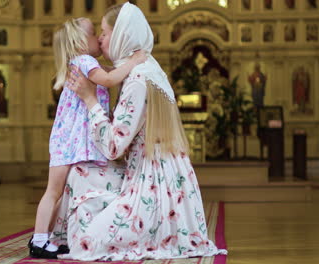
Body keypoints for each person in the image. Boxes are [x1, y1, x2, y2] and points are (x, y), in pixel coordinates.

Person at [49, 3, 228, 261]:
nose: (100, 38)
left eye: (104, 32)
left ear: (122, 34)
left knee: (87, 243)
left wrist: (90, 100)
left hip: (152, 186)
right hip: (159, 177)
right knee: (80, 171)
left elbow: (113, 147)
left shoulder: (137, 81)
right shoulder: (148, 69)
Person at [29, 17, 147, 259]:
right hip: (67, 140)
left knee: (57, 192)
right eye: (94, 34)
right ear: (81, 43)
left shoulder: (86, 62)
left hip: (70, 139)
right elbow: (110, 80)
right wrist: (135, 61)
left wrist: (125, 66)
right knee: (53, 191)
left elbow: (112, 73)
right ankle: (39, 240)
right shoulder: (84, 61)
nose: (98, 38)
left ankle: (45, 237)